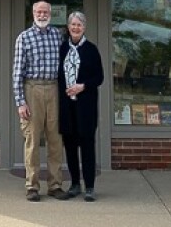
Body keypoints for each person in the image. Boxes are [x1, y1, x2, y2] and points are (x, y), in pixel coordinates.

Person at [13, 0, 69, 202]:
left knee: (55, 140)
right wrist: (21, 102)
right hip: (32, 89)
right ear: (33, 13)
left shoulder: (57, 35)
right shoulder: (24, 38)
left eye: (46, 12)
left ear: (51, 14)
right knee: (32, 140)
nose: (42, 15)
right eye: (39, 11)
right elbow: (17, 73)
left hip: (54, 89)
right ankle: (32, 186)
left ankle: (55, 185)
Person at [57, 11, 104, 202]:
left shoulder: (91, 50)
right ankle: (75, 184)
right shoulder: (62, 49)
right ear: (68, 27)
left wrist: (82, 86)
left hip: (86, 106)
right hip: (67, 107)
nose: (76, 28)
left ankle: (90, 187)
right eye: (73, 24)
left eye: (79, 25)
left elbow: (99, 77)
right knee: (69, 145)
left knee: (87, 145)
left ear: (84, 28)